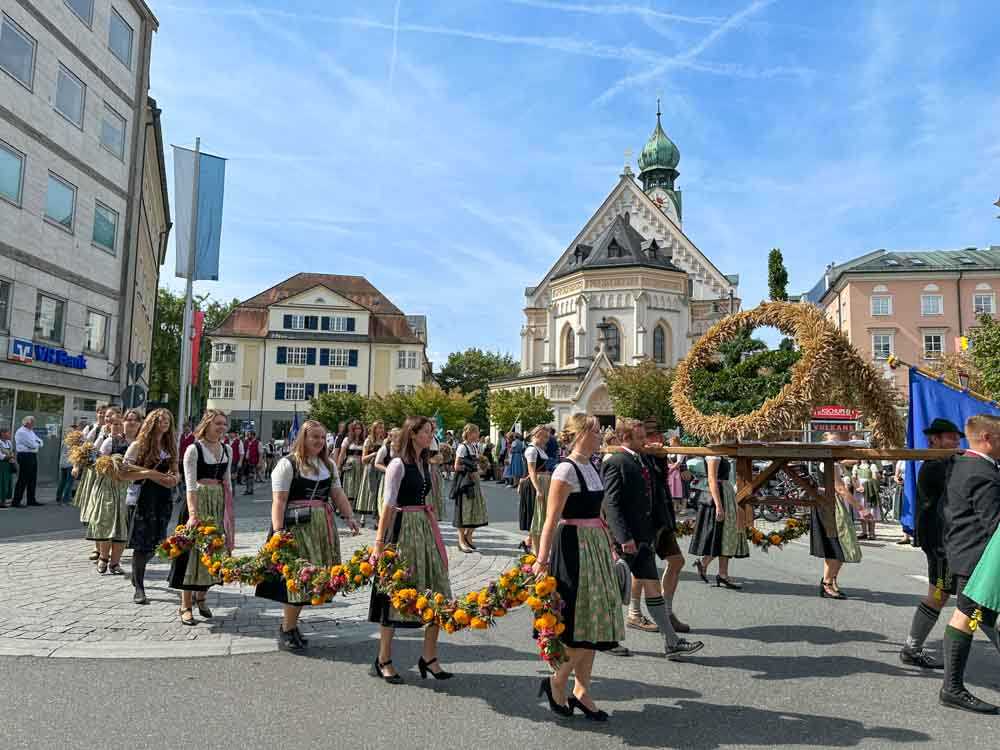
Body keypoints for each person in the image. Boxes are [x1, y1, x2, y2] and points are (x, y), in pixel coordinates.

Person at [533, 414, 624, 720]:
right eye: (597, 431)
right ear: (582, 433)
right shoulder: (565, 470)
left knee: (595, 620)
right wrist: (542, 559)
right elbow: (550, 519)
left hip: (595, 546)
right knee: (578, 622)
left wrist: (610, 542)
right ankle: (557, 680)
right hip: (573, 548)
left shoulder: (592, 466)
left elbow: (599, 512)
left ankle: (582, 690)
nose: (601, 435)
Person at [603, 419, 703, 659]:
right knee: (614, 589)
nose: (645, 442)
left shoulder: (642, 458)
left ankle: (671, 642)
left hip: (645, 535)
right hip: (628, 538)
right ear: (626, 438)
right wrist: (623, 536)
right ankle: (607, 637)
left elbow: (657, 482)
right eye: (639, 438)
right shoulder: (616, 462)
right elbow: (612, 504)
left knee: (651, 586)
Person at [257, 420, 359, 650]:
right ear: (303, 438)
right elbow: (279, 501)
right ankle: (287, 628)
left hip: (321, 527)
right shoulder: (287, 464)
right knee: (298, 578)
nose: (319, 442)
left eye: (322, 438)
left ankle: (290, 626)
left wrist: (350, 516)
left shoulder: (328, 464)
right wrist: (279, 532)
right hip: (296, 529)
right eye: (314, 437)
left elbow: (337, 493)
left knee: (310, 580)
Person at [369, 416, 453, 683]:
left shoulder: (423, 462)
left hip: (424, 530)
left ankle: (429, 657)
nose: (431, 435)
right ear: (413, 434)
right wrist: (379, 544)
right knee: (395, 592)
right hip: (403, 529)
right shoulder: (397, 464)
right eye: (427, 431)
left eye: (432, 431)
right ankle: (384, 658)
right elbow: (389, 505)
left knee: (436, 589)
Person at [939, 415, 1000, 714]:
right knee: (967, 617)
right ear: (988, 438)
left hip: (966, 554)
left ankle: (952, 688)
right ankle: (952, 688)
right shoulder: (983, 473)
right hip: (979, 560)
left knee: (977, 617)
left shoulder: (964, 464)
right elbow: (995, 523)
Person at [900, 418, 963, 669]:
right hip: (940, 545)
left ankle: (911, 648)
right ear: (934, 440)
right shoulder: (937, 466)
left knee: (946, 595)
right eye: (950, 437)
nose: (956, 441)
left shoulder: (946, 463)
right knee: (940, 596)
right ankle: (912, 649)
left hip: (946, 542)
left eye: (957, 437)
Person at [169, 410, 234, 626]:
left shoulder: (227, 449)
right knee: (192, 555)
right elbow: (189, 485)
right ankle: (185, 605)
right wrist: (193, 514)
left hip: (217, 504)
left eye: (224, 424)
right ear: (206, 424)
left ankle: (202, 597)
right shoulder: (193, 450)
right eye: (218, 423)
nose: (222, 427)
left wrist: (228, 513)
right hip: (197, 504)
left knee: (213, 552)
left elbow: (227, 481)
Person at [123, 409, 179, 604]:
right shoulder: (139, 446)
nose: (164, 423)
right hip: (142, 499)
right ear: (152, 422)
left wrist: (174, 479)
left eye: (168, 420)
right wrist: (150, 474)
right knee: (141, 544)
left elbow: (175, 471)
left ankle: (135, 573)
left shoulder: (170, 446)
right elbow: (124, 473)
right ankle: (139, 586)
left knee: (156, 543)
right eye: (160, 419)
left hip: (163, 498)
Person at [808, 433, 864, 599]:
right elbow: (839, 488)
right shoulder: (829, 464)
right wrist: (860, 507)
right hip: (830, 505)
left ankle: (831, 581)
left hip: (832, 504)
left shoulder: (833, 462)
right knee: (836, 546)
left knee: (837, 546)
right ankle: (827, 583)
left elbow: (848, 461)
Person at [87, 409, 142, 575]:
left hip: (130, 488)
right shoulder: (112, 441)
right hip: (109, 487)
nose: (131, 423)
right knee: (107, 522)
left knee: (122, 526)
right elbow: (97, 462)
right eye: (128, 420)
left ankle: (115, 562)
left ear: (140, 424)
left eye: (135, 420)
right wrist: (112, 466)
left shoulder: (142, 444)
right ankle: (104, 557)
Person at [689, 450, 749, 589]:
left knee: (727, 536)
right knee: (720, 535)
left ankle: (721, 573)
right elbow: (711, 479)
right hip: (719, 496)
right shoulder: (713, 455)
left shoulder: (720, 453)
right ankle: (707, 564)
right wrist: (719, 506)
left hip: (726, 494)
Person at [452, 423, 489, 553]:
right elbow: (456, 467)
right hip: (465, 483)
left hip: (474, 482)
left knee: (477, 510)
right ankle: (461, 540)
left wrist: (479, 468)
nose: (478, 435)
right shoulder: (462, 447)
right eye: (476, 432)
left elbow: (476, 462)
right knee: (464, 511)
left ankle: (469, 535)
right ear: (469, 433)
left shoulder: (474, 446)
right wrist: (470, 470)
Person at [524, 426, 552, 554]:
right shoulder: (532, 450)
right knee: (537, 517)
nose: (546, 439)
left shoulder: (539, 449)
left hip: (544, 482)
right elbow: (531, 470)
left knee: (541, 516)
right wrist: (538, 489)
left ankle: (529, 542)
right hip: (539, 483)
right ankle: (536, 550)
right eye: (545, 436)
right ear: (537, 435)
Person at [355, 421, 386, 527]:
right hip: (370, 468)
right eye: (378, 428)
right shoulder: (368, 441)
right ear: (374, 429)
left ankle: (378, 519)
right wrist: (374, 454)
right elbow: (363, 459)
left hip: (380, 469)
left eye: (382, 427)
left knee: (379, 492)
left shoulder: (384, 441)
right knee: (368, 491)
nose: (381, 430)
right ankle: (363, 516)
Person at [12, 416, 43, 507]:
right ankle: (16, 501)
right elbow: (33, 445)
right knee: (23, 479)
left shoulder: (31, 431)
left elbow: (41, 442)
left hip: (32, 456)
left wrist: (37, 443)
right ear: (27, 423)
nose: (33, 424)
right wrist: (37, 443)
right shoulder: (21, 432)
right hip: (25, 456)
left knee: (32, 479)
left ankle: (31, 500)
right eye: (32, 422)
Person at [338, 420, 366, 514]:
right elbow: (342, 454)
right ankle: (346, 508)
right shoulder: (347, 440)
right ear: (352, 430)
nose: (358, 430)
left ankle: (355, 507)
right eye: (356, 428)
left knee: (358, 485)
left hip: (361, 465)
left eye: (360, 428)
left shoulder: (364, 440)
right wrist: (339, 467)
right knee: (349, 486)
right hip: (349, 464)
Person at [375, 428, 401, 517]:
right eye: (396, 436)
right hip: (387, 479)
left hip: (400, 479)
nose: (398, 438)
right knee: (385, 501)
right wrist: (388, 470)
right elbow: (377, 463)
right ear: (391, 437)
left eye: (400, 436)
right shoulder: (385, 449)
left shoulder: (404, 449)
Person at [853, 459, 881, 540]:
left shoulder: (872, 466)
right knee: (861, 510)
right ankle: (864, 532)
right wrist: (857, 487)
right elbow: (854, 479)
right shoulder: (856, 466)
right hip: (859, 491)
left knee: (871, 510)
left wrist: (865, 486)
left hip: (869, 490)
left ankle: (872, 533)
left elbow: (875, 479)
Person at [56, 424, 78, 505]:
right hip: (69, 463)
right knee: (69, 482)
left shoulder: (63, 441)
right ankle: (66, 499)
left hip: (63, 463)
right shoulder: (72, 443)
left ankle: (58, 497)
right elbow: (74, 454)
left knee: (62, 481)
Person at [666, 436, 688, 515]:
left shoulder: (680, 450)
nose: (669, 443)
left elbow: (679, 463)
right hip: (673, 473)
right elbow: (668, 460)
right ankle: (676, 507)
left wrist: (670, 469)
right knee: (674, 489)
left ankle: (684, 508)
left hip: (682, 472)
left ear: (675, 442)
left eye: (671, 441)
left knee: (684, 490)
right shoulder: (671, 451)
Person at [894, 459, 912, 545]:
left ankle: (916, 535)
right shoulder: (901, 461)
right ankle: (906, 536)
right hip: (903, 487)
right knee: (904, 510)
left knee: (913, 510)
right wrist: (898, 480)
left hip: (913, 486)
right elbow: (896, 476)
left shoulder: (915, 458)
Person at [0, 427, 14, 507]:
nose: (9, 435)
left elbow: (12, 452)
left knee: (8, 482)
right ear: (2, 433)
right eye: (8, 433)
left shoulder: (9, 442)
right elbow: (1, 456)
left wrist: (11, 456)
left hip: (8, 465)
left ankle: (5, 500)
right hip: (2, 465)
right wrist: (9, 457)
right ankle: (1, 501)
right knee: (2, 482)